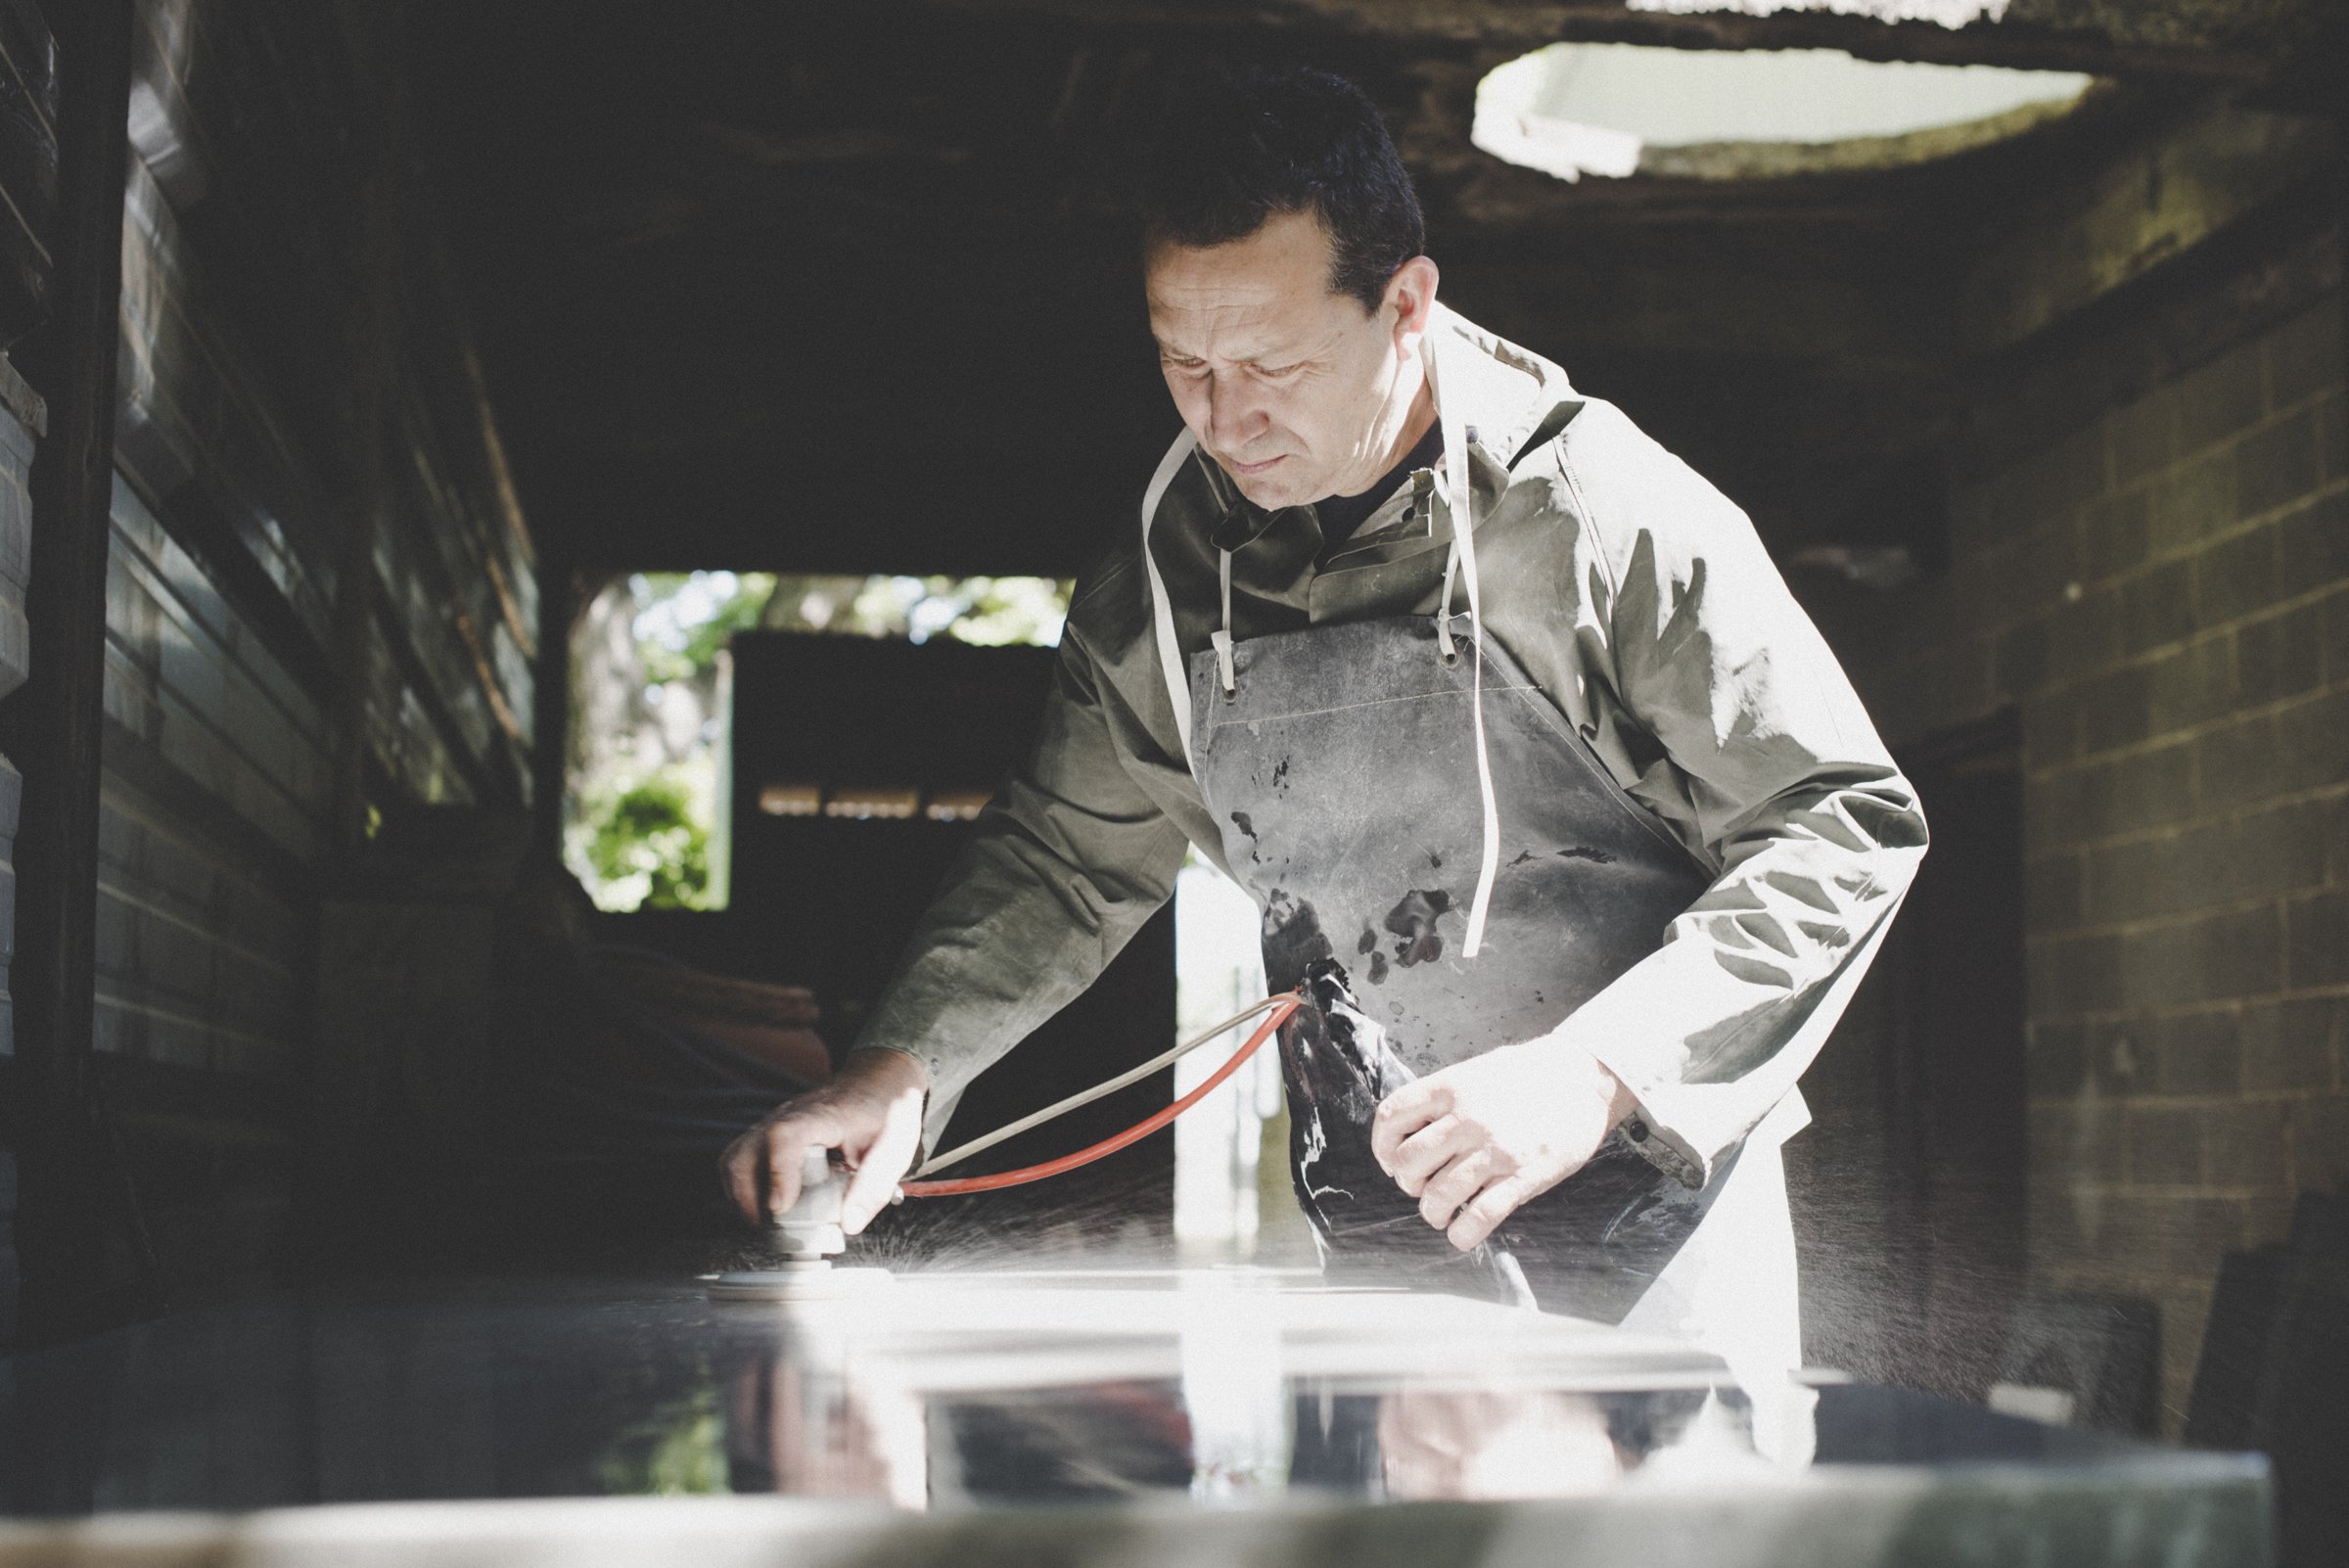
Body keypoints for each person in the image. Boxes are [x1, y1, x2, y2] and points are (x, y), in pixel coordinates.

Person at [721, 67, 1926, 1379]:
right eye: (1184, 361)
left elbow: (1843, 824)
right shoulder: (1162, 583)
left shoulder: (1598, 514)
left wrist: (1592, 1072)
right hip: (1383, 1245)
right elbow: (1066, 857)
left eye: (1275, 365)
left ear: (1407, 304)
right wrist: (900, 1068)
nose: (1227, 419)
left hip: (1662, 1220)